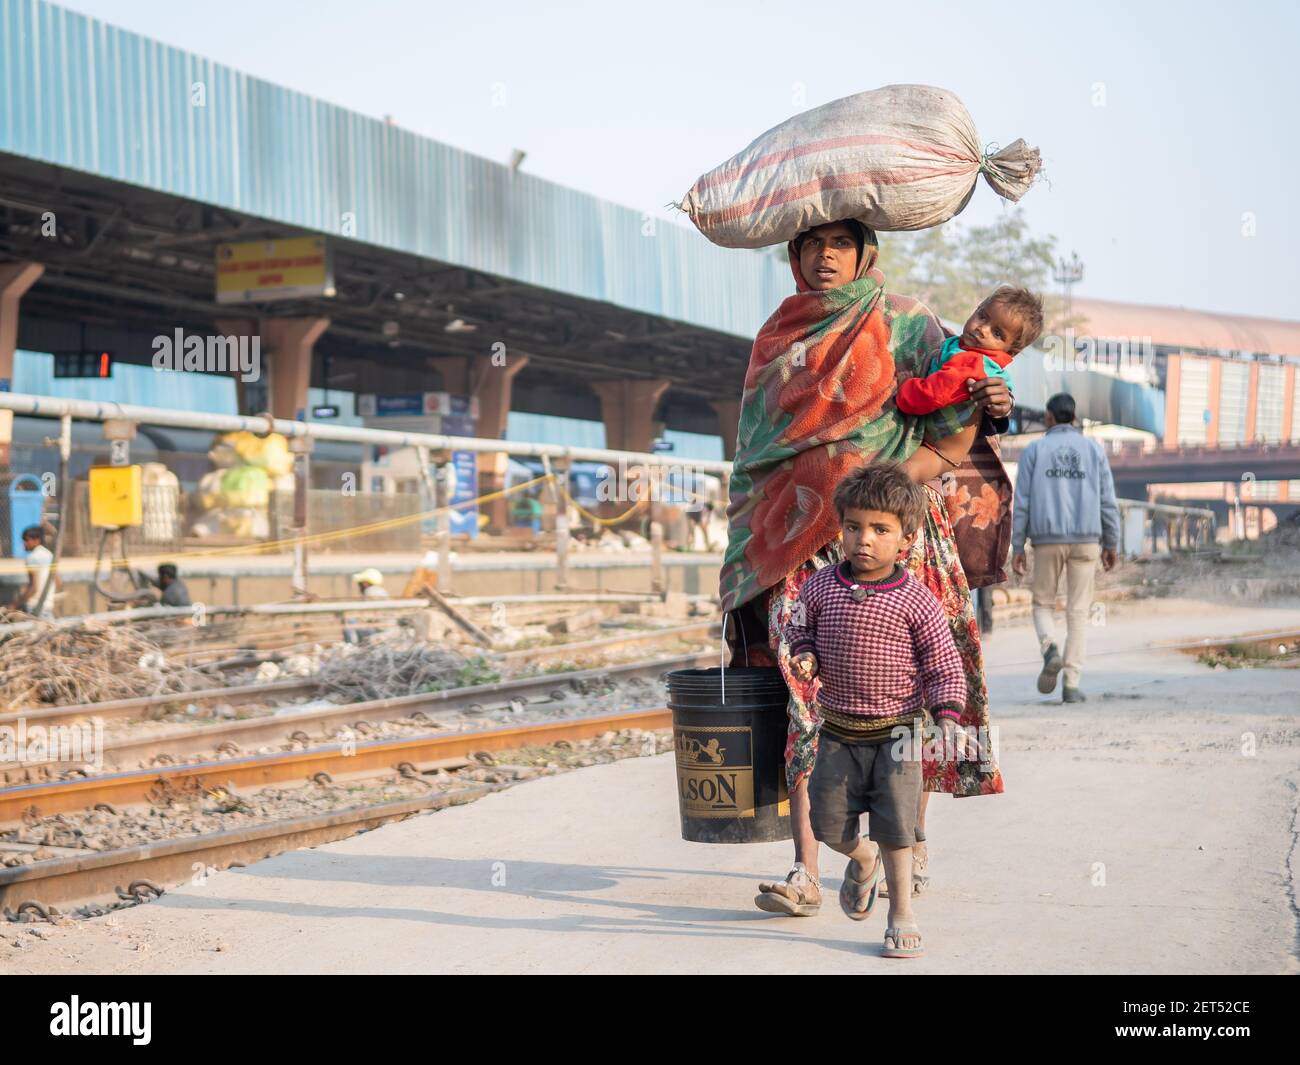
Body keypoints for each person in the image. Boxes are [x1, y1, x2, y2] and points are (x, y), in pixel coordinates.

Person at [720, 218, 1010, 919]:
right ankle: (806, 868)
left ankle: (906, 839)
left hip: (901, 537)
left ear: (865, 253)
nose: (826, 257)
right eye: (812, 245)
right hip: (798, 546)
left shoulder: (909, 325)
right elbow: (757, 452)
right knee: (804, 695)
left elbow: (954, 424)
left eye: (841, 244)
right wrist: (748, 555)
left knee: (908, 694)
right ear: (794, 256)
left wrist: (880, 494)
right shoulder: (777, 336)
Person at [784, 464, 965, 958]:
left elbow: (943, 661)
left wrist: (947, 713)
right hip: (839, 731)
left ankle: (901, 915)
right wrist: (804, 648)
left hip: (899, 733)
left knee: (897, 826)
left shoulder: (916, 600)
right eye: (854, 527)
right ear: (840, 527)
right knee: (827, 823)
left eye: (880, 530)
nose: (864, 539)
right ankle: (862, 859)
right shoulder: (820, 587)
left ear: (906, 538)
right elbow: (800, 626)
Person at [1011, 392, 1121, 702]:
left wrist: (1017, 544)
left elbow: (1022, 502)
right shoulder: (1093, 451)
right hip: (1087, 541)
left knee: (1042, 603)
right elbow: (1107, 501)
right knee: (1078, 612)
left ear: (1048, 418)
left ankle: (1050, 649)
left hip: (1046, 540)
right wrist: (1112, 542)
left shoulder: (1033, 451)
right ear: (1073, 418)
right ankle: (1071, 684)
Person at [896, 286, 1044, 415]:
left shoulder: (973, 363)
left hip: (934, 438)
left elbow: (933, 394)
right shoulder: (961, 345)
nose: (983, 329)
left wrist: (902, 387)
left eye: (997, 333)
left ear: (1010, 352)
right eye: (982, 317)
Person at [14, 525, 57, 619]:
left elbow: (33, 588)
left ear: (37, 540)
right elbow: (57, 581)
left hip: (35, 607)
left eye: (26, 540)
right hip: (48, 606)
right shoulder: (49, 555)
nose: (24, 543)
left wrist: (14, 605)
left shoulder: (32, 558)